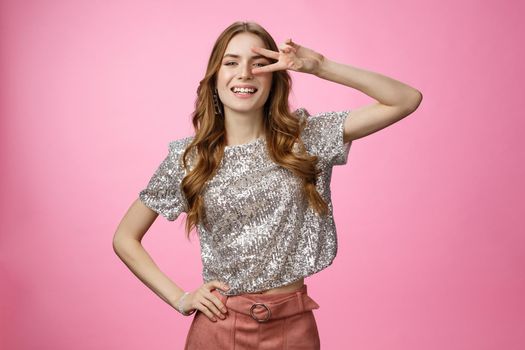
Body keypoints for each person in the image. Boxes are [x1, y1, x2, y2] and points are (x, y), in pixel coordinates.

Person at [113, 20, 422, 350]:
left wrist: (321, 66)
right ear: (215, 77)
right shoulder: (190, 158)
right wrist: (180, 298)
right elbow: (125, 238)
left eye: (259, 64)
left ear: (274, 78)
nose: (245, 73)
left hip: (293, 328)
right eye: (231, 62)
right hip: (219, 327)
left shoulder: (306, 138)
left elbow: (405, 99)